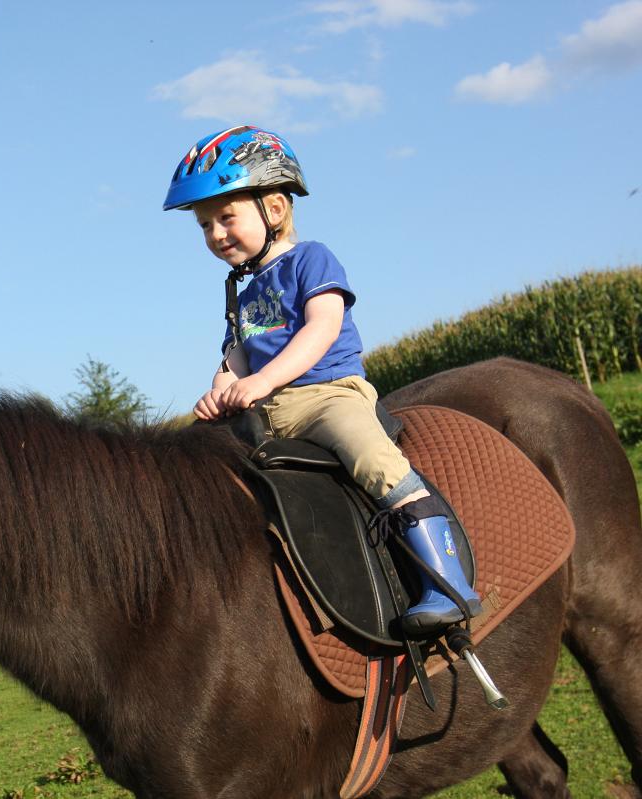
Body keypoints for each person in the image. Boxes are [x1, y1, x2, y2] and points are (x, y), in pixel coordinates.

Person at [163, 125, 482, 635]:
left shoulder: (312, 259)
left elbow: (321, 327)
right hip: (270, 410)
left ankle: (448, 585)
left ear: (274, 208)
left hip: (328, 395)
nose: (215, 234)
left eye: (225, 217)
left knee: (372, 460)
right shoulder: (244, 298)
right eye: (204, 226)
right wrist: (218, 391)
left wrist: (262, 380)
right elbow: (239, 358)